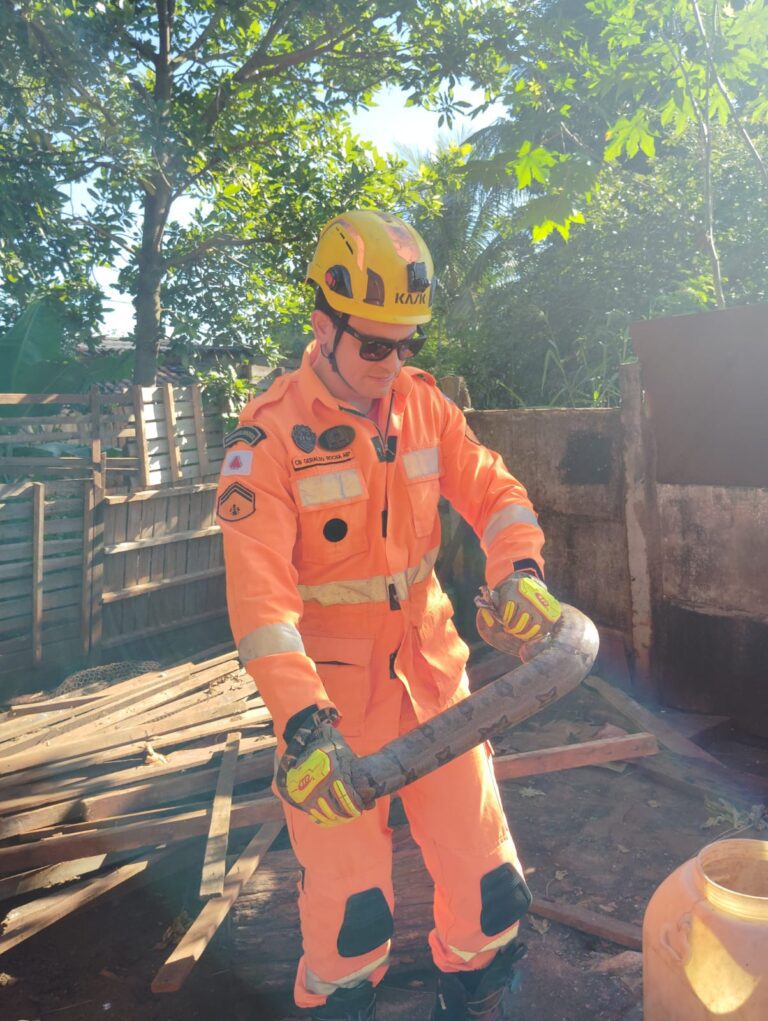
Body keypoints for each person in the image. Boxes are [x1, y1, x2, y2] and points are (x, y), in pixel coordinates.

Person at [216, 209, 562, 1021]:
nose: (392, 362)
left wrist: (520, 572)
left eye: (407, 344)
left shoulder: (424, 408)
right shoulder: (266, 444)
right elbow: (260, 602)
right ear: (322, 325)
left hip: (437, 686)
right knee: (351, 923)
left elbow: (496, 491)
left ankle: (475, 997)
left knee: (491, 893)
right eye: (374, 344)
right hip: (334, 720)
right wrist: (301, 722)